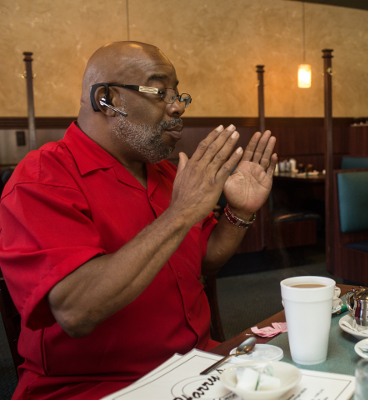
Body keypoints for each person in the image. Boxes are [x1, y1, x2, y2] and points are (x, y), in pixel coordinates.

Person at [0, 42, 277, 399]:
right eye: (160, 92)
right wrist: (179, 214)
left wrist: (239, 212)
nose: (177, 106)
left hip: (197, 365)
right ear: (106, 99)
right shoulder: (42, 179)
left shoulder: (162, 171)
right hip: (96, 386)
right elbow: (76, 311)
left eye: (178, 94)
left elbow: (205, 256)